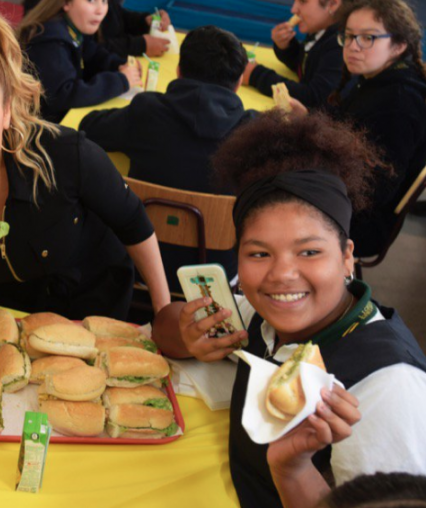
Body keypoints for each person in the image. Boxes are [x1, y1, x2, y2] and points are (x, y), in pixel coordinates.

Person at [153, 111, 426, 508]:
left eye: (309, 251)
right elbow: (161, 327)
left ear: (348, 257)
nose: (281, 275)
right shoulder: (264, 321)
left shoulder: (385, 387)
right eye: (259, 253)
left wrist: (294, 471)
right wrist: (189, 336)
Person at [0, 0, 170, 321]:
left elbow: (134, 224)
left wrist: (164, 312)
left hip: (93, 310)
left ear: (6, 110)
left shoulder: (65, 153)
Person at [79, 25, 255, 291]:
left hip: (138, 262)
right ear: (240, 81)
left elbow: (89, 127)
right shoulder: (253, 132)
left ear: (179, 70)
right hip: (217, 277)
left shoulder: (147, 112)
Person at [325, 0, 426, 258]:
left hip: (362, 222)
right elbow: (343, 119)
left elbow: (377, 191)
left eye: (368, 38)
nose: (353, 47)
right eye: (349, 36)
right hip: (344, 198)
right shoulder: (377, 81)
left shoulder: (398, 102)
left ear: (399, 45)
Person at [18, 0, 142, 123]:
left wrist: (119, 65)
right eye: (91, 0)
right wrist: (120, 80)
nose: (100, 10)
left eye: (104, 1)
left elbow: (93, 55)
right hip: (44, 126)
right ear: (66, 3)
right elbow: (64, 95)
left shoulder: (72, 25)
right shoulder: (50, 41)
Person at [243, 0, 345, 110]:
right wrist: (287, 47)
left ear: (333, 3)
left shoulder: (341, 45)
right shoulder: (320, 30)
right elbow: (306, 67)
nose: (293, 10)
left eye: (303, 1)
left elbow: (314, 98)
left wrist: (255, 75)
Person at [22, 0, 172, 57]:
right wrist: (139, 45)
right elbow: (91, 47)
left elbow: (117, 15)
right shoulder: (53, 34)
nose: (101, 9)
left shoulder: (98, 5)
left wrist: (144, 21)